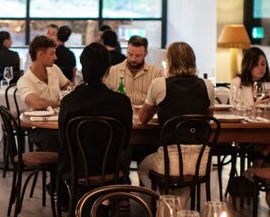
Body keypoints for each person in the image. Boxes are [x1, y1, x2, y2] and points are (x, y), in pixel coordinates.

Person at [137, 41, 215, 184]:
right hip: (201, 161)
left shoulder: (159, 84)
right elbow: (208, 119)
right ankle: (176, 202)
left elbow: (142, 119)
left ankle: (162, 200)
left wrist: (155, 106)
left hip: (170, 160)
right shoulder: (207, 85)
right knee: (187, 178)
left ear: (170, 61)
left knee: (142, 167)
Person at [57, 43, 132, 181]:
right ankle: (117, 196)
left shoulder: (69, 101)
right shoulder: (122, 102)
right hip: (110, 168)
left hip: (76, 169)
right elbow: (125, 141)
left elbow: (63, 138)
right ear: (107, 68)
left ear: (82, 67)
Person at [16, 35, 72, 151]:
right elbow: (37, 104)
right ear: (40, 54)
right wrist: (62, 103)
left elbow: (68, 84)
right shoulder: (24, 81)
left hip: (60, 122)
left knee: (77, 134)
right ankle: (62, 167)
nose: (55, 57)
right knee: (62, 141)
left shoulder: (54, 69)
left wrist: (66, 92)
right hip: (39, 128)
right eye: (52, 53)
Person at [105, 35, 162, 106]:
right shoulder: (112, 71)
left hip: (148, 116)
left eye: (138, 56)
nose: (133, 59)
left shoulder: (156, 74)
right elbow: (106, 99)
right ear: (126, 51)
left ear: (145, 54)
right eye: (130, 54)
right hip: (120, 115)